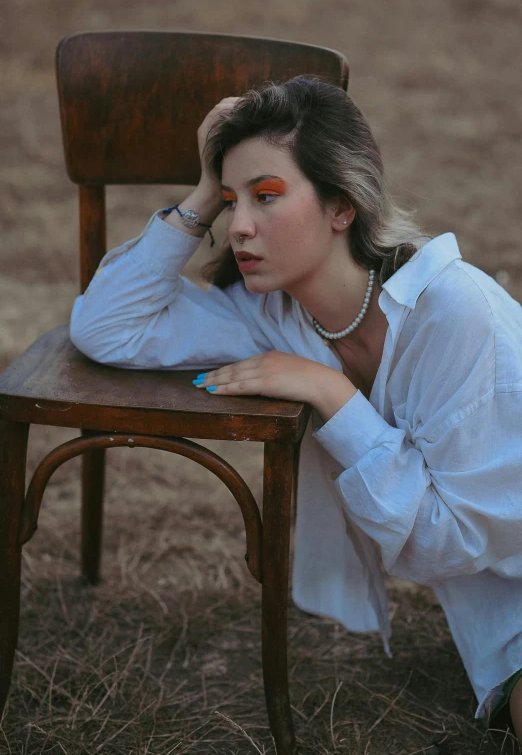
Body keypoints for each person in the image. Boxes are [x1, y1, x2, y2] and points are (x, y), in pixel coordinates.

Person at [69, 76, 522, 742]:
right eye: (230, 202)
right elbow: (105, 328)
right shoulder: (276, 318)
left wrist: (331, 394)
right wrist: (199, 193)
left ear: (342, 206)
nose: (239, 226)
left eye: (267, 197)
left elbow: (442, 542)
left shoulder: (457, 315)